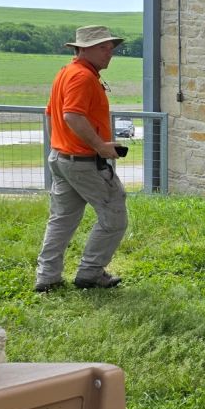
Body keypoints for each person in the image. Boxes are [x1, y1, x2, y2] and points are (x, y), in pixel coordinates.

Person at [35, 26, 129, 292]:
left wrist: (59, 145)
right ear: (83, 49)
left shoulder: (66, 72)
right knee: (115, 217)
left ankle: (47, 277)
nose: (110, 53)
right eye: (102, 47)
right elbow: (72, 115)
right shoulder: (83, 77)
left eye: (111, 47)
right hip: (84, 162)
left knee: (62, 219)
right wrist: (99, 146)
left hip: (63, 159)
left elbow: (51, 113)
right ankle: (90, 272)